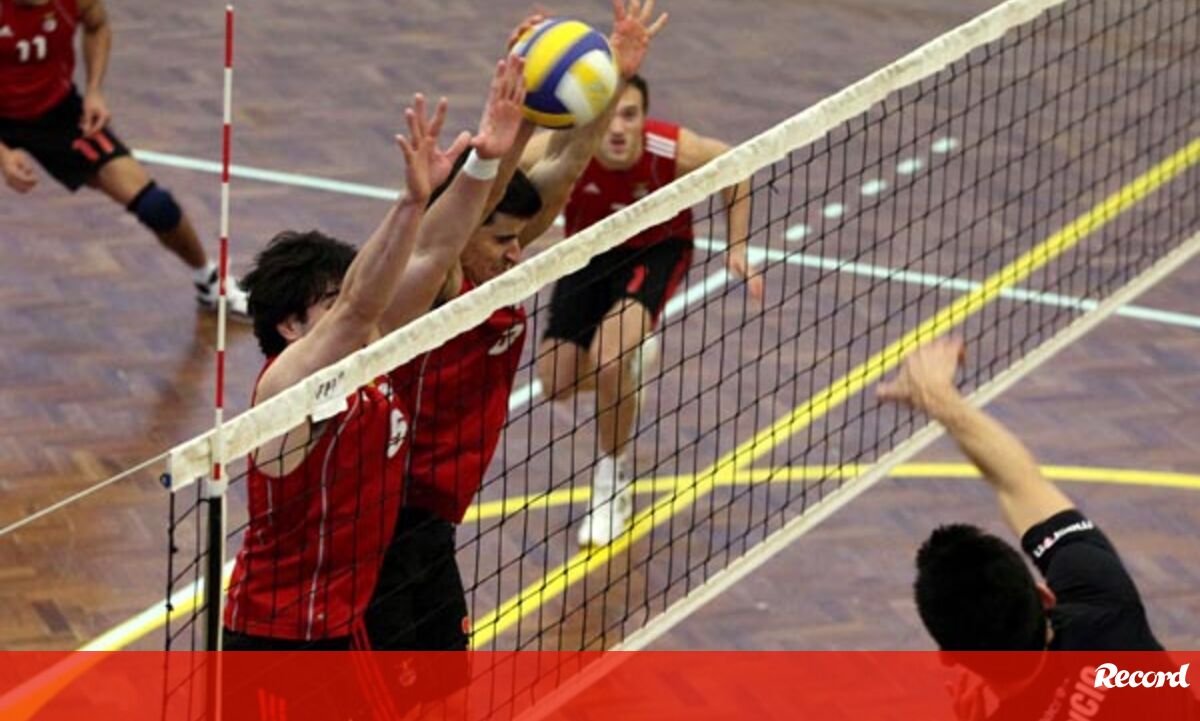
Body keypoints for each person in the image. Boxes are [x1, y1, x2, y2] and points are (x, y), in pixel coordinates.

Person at [366, 0, 668, 652]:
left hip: (435, 520)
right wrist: (512, 121)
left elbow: (562, 173)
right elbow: (464, 217)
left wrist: (612, 75)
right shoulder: (440, 284)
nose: (517, 253)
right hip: (392, 515)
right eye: (502, 239)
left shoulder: (495, 270)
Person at [221, 55, 526, 652]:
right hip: (275, 640)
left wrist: (485, 161)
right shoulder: (285, 389)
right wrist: (410, 202)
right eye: (328, 304)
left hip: (344, 625)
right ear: (289, 325)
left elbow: (433, 253)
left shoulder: (368, 353)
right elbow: (361, 304)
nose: (349, 311)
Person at [878, 337, 1195, 720]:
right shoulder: (1104, 600)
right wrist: (939, 398)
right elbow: (1021, 483)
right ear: (1045, 596)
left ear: (950, 657)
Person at [529, 72, 763, 548]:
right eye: (608, 117)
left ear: (643, 118)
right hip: (588, 253)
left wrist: (737, 245)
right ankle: (631, 363)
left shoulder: (669, 149)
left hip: (654, 251)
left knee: (609, 360)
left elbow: (737, 167)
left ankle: (612, 480)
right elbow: (502, 163)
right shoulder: (569, 144)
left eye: (629, 115)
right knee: (556, 385)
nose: (617, 128)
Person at [0, 0, 249, 315]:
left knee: (157, 206)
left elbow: (97, 26)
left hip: (56, 112)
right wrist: (3, 155)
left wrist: (94, 90)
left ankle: (210, 283)